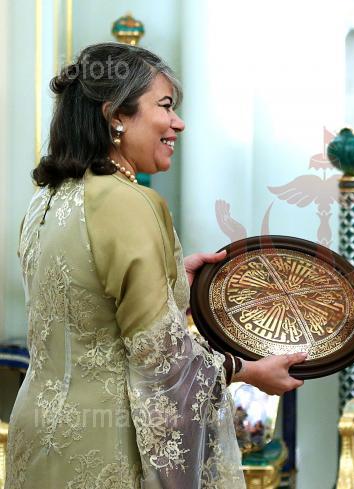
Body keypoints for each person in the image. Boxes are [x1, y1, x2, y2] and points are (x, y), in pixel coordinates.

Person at [6, 42, 305, 489]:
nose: (178, 123)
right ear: (116, 116)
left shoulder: (47, 200)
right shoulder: (131, 202)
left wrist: (171, 280)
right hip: (106, 447)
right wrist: (246, 371)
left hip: (35, 437)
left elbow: (84, 305)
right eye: (165, 106)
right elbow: (162, 360)